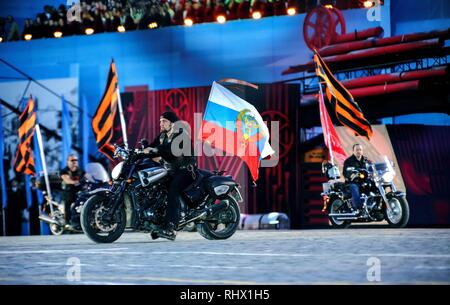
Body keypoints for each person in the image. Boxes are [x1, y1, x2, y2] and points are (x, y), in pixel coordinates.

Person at [143, 111, 195, 241]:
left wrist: (154, 151)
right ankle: (159, 223)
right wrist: (138, 152)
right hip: (172, 171)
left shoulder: (181, 134)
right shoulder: (163, 135)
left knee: (173, 190)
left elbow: (171, 151)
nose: (161, 123)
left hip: (186, 171)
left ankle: (171, 228)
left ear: (172, 123)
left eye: (164, 121)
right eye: (160, 121)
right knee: (156, 189)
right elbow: (151, 147)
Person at [343, 144, 370, 213]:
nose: (359, 151)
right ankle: (359, 208)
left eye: (360, 150)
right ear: (353, 151)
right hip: (352, 182)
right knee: (354, 188)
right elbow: (345, 172)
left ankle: (373, 205)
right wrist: (352, 174)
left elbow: (372, 167)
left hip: (364, 181)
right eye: (357, 150)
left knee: (373, 185)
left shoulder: (366, 160)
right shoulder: (348, 161)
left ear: (362, 151)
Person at [60, 154, 85, 229]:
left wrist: (97, 180)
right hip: (68, 192)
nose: (74, 162)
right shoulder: (64, 171)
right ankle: (67, 222)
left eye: (76, 160)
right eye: (72, 160)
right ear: (67, 162)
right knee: (68, 202)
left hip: (79, 192)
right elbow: (66, 179)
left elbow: (88, 176)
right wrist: (75, 182)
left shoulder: (80, 170)